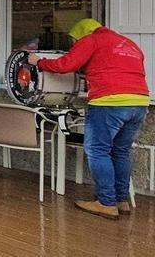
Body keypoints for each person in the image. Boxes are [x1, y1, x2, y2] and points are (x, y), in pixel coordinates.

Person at [28, 19, 149, 219]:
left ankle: (106, 202)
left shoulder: (91, 40)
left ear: (81, 34)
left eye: (75, 41)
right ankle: (121, 200)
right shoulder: (128, 43)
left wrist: (38, 62)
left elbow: (66, 64)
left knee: (97, 150)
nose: (75, 44)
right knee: (121, 152)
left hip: (109, 101)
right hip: (139, 101)